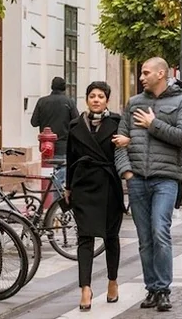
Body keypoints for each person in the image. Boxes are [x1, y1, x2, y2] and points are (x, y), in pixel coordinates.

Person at [114, 57, 182, 312]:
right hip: (137, 180)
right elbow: (120, 140)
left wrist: (153, 125)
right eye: (141, 73)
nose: (141, 77)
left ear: (162, 73)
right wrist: (126, 173)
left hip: (165, 179)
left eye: (146, 72)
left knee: (160, 231)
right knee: (144, 238)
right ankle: (151, 289)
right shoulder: (134, 103)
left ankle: (163, 289)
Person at [66, 81, 124, 311]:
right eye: (92, 96)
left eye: (101, 96)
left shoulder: (117, 124)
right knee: (85, 238)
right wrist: (68, 186)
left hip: (109, 184)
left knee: (111, 237)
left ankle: (112, 282)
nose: (96, 99)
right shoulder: (75, 125)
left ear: (107, 100)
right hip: (83, 186)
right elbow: (70, 159)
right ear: (87, 99)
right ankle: (85, 289)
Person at [31, 76, 79, 193]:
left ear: (52, 87)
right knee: (62, 173)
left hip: (45, 146)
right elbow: (77, 122)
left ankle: (48, 198)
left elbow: (34, 122)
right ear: (64, 88)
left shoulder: (42, 101)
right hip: (64, 144)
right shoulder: (69, 102)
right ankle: (57, 199)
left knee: (47, 172)